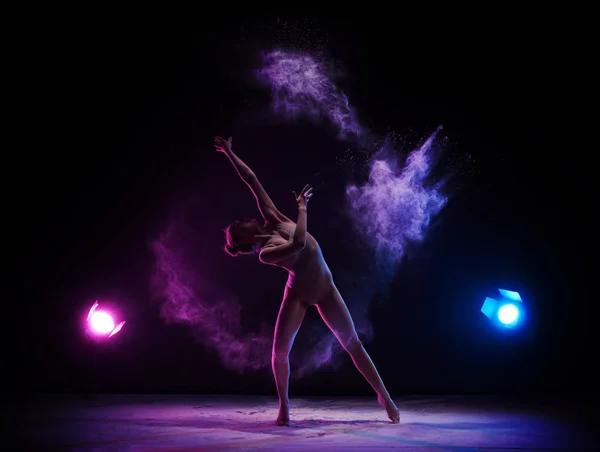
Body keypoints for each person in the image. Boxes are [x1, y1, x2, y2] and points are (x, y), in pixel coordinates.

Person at [214, 136, 400, 426]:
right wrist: (301, 208)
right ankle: (284, 407)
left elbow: (251, 179)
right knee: (279, 353)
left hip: (326, 288)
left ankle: (384, 396)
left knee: (353, 344)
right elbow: (299, 243)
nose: (245, 218)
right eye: (240, 224)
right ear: (245, 238)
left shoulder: (273, 217)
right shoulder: (266, 253)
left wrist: (229, 153)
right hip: (298, 294)